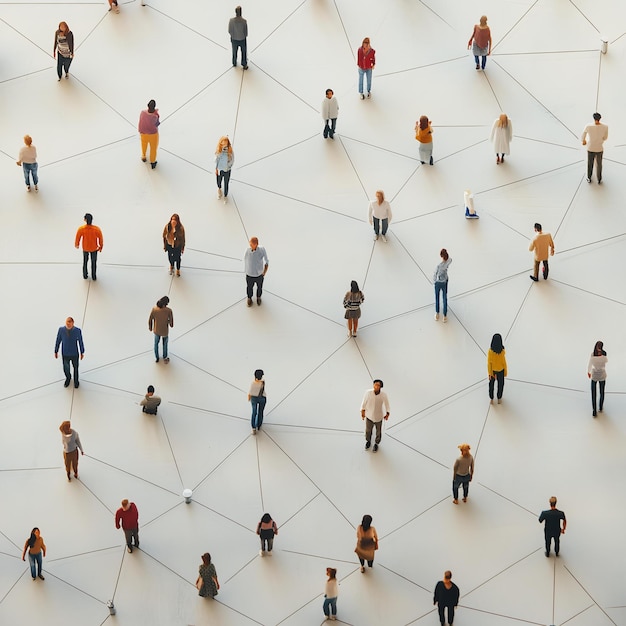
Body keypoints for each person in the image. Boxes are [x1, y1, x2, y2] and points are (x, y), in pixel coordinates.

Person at [54, 317, 85, 388]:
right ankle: (68, 378)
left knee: (76, 368)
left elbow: (80, 341)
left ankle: (76, 381)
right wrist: (56, 351)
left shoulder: (77, 331)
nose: (68, 326)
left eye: (69, 324)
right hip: (65, 354)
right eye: (67, 324)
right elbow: (58, 340)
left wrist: (82, 352)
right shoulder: (61, 330)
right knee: (66, 368)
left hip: (74, 353)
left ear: (73, 323)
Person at [360, 379, 390, 452]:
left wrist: (387, 413)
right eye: (375, 384)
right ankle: (368, 441)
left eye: (378, 385)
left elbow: (387, 404)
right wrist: (362, 411)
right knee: (368, 430)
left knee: (378, 431)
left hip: (379, 416)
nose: (376, 386)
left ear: (380, 387)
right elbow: (364, 402)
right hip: (369, 415)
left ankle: (376, 443)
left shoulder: (383, 395)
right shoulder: (368, 393)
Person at [75, 213, 103, 281]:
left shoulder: (81, 229)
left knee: (85, 261)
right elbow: (100, 238)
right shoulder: (96, 229)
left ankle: (85, 275)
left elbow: (78, 237)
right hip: (94, 248)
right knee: (93, 262)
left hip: (85, 248)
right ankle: (94, 276)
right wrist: (100, 246)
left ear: (85, 220)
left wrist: (77, 244)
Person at [581, 112, 608, 184]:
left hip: (590, 148)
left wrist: (583, 140)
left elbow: (583, 134)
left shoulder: (588, 126)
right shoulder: (605, 127)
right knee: (599, 164)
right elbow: (605, 138)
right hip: (599, 148)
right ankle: (599, 179)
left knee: (590, 163)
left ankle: (589, 178)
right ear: (600, 118)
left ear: (593, 118)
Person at [244, 237, 269, 306]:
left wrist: (264, 272)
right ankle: (249, 298)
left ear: (257, 244)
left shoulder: (262, 250)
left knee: (259, 287)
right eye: (250, 244)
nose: (250, 245)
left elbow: (267, 261)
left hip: (259, 275)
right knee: (249, 287)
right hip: (249, 275)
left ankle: (258, 297)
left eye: (252, 244)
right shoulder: (247, 250)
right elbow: (245, 260)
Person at [148, 296, 173, 363]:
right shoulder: (169, 310)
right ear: (166, 303)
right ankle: (165, 357)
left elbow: (150, 319)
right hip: (164, 331)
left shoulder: (154, 309)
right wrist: (167, 322)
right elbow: (171, 323)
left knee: (156, 344)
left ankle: (157, 358)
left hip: (156, 330)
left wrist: (150, 327)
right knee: (165, 344)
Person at [587, 340, 608, 417]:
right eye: (597, 347)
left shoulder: (604, 353)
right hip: (595, 375)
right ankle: (594, 410)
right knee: (593, 393)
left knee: (602, 392)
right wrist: (588, 371)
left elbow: (604, 362)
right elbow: (590, 363)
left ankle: (601, 407)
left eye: (600, 348)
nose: (599, 349)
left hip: (602, 374)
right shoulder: (593, 354)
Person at [138, 100, 160, 169]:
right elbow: (157, 124)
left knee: (144, 144)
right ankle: (153, 162)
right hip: (153, 134)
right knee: (153, 148)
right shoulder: (155, 116)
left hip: (143, 133)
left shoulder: (142, 113)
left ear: (147, 105)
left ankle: (144, 156)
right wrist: (156, 113)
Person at [487, 333, 507, 404]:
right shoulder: (502, 352)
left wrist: (490, 373)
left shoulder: (490, 352)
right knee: (501, 384)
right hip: (501, 371)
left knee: (491, 385)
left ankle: (491, 398)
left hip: (493, 371)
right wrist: (505, 372)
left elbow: (489, 363)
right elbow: (504, 363)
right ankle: (499, 397)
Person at [433, 248, 452, 322]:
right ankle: (445, 315)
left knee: (437, 298)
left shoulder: (439, 266)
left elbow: (435, 275)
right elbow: (450, 259)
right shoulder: (449, 261)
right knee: (444, 298)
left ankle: (437, 313)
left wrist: (434, 281)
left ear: (441, 256)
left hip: (438, 282)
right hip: (445, 282)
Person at [215, 136, 234, 203]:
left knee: (226, 183)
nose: (224, 146)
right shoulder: (218, 151)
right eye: (223, 144)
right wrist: (216, 169)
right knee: (218, 181)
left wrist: (227, 167)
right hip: (220, 170)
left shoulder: (230, 151)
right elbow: (216, 160)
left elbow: (232, 161)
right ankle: (219, 189)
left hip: (227, 170)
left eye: (225, 144)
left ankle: (225, 196)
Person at [248, 369, 266, 434]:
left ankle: (253, 428)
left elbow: (250, 392)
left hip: (254, 398)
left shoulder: (253, 383)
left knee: (254, 412)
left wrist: (249, 398)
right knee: (260, 412)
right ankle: (259, 425)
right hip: (262, 398)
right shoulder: (263, 382)